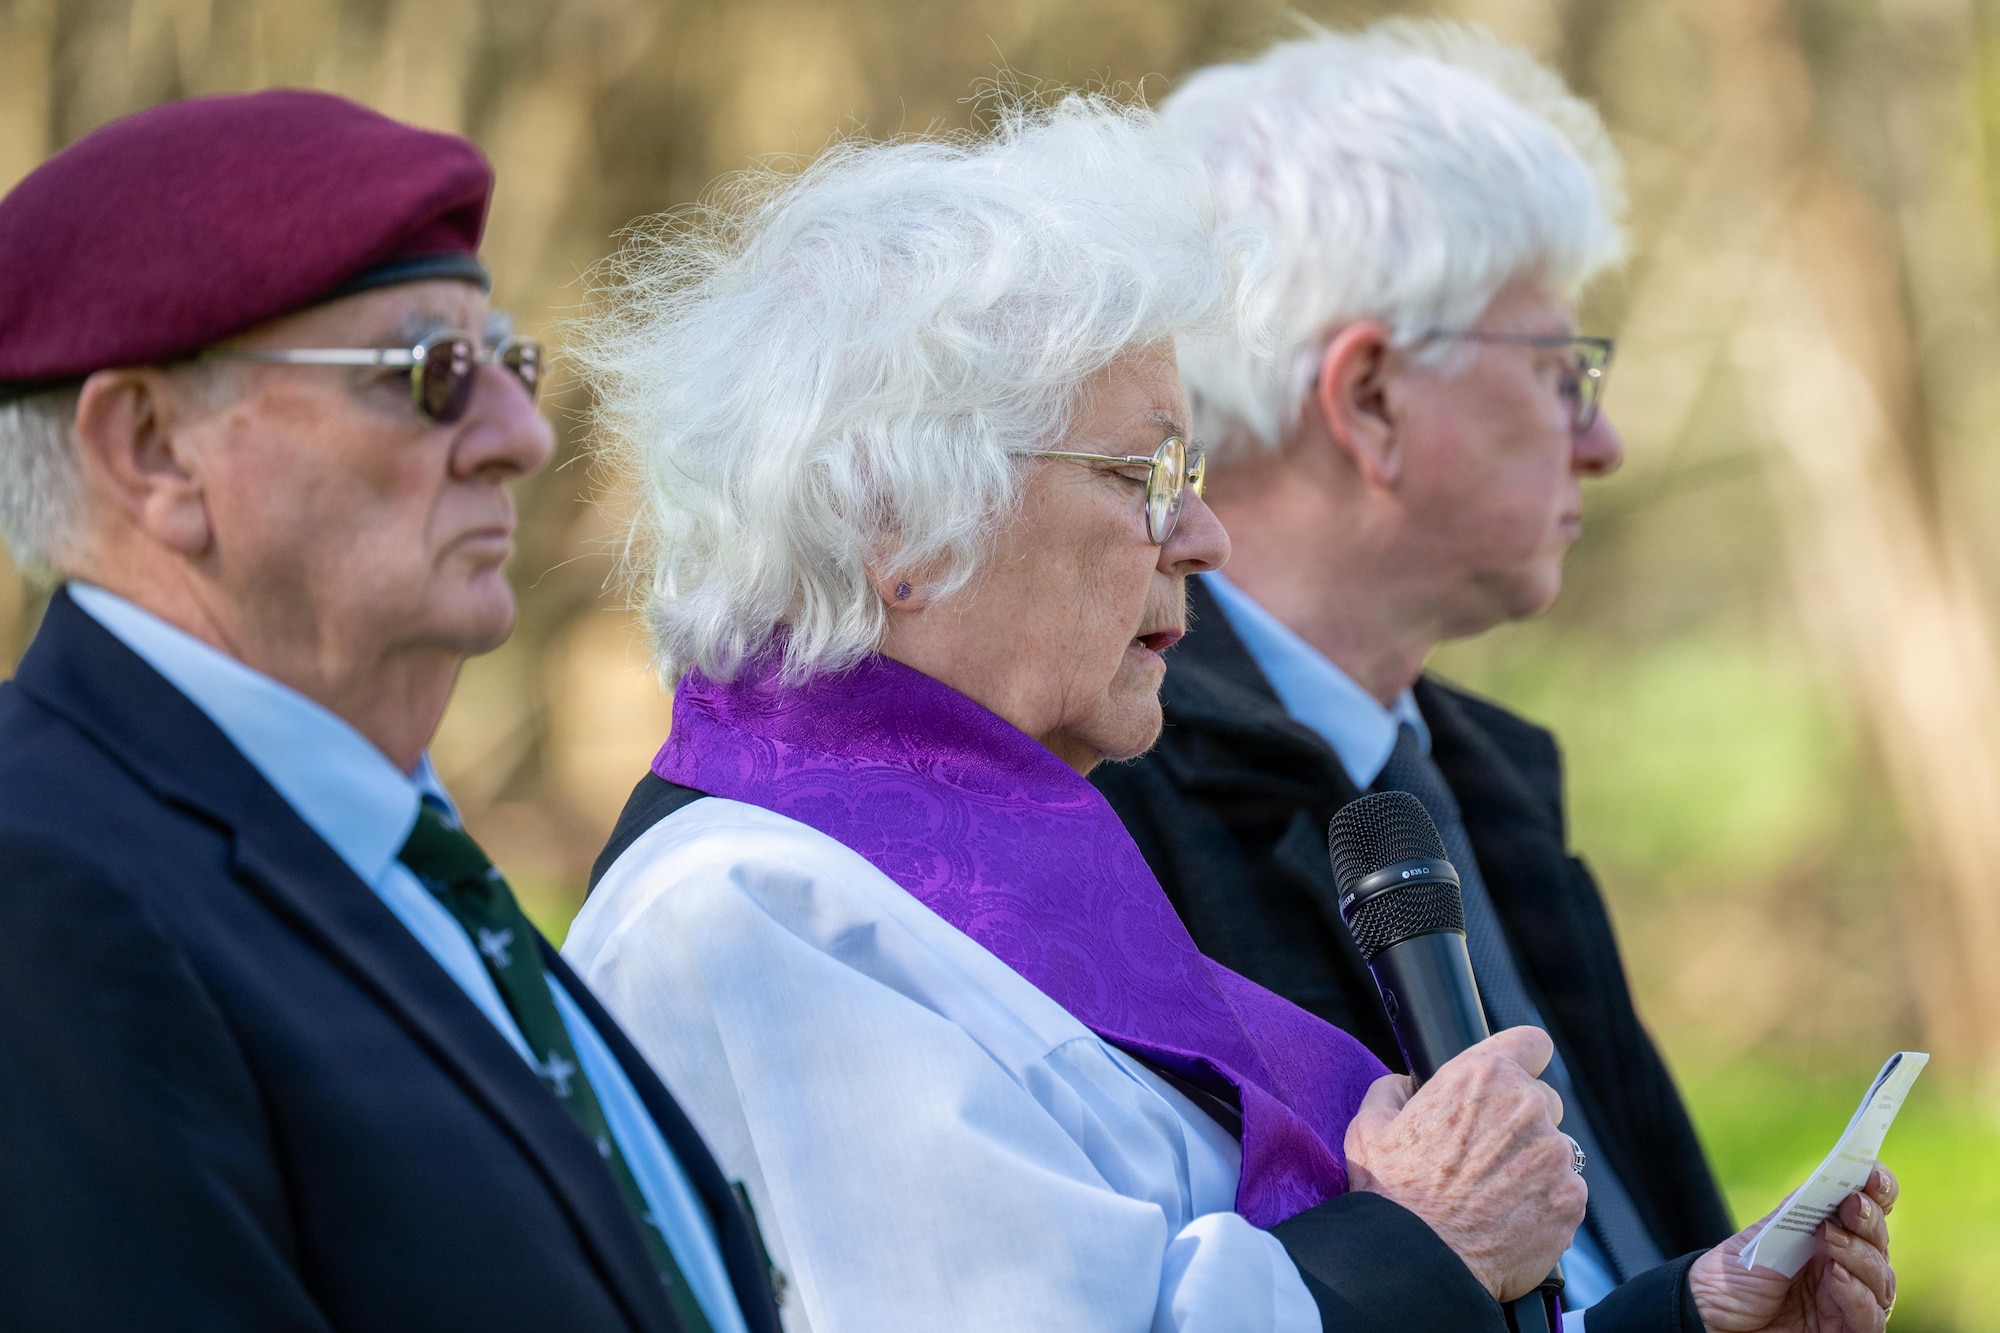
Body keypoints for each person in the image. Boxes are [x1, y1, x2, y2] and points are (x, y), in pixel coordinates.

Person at [564, 97, 1894, 1333]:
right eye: (1145, 472)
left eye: (1189, 470)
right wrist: (1417, 1241)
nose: (1200, 533)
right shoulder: (747, 915)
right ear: (902, 530)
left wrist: (1685, 1310)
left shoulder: (971, 854)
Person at [1090, 18, 1889, 1326]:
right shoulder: (1120, 805)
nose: (1610, 442)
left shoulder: (1472, 779)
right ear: (1374, 402)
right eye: (1566, 372)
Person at [0, 91, 780, 1333]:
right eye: (427, 374)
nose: (521, 436)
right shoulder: (45, 895)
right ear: (151, 450)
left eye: (507, 365)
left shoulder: (400, 859)